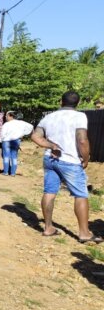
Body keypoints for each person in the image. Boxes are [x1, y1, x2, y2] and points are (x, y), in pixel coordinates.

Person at [31, 91, 99, 243]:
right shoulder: (79, 116)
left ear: (61, 101)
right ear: (78, 103)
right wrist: (86, 158)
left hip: (50, 158)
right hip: (70, 161)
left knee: (49, 192)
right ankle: (84, 233)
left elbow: (35, 136)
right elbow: (82, 140)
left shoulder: (49, 117)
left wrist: (51, 145)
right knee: (81, 194)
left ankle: (48, 227)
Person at [0, 111, 33, 176]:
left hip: (6, 141)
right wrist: (23, 134)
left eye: (6, 116)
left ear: (10, 116)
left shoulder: (6, 124)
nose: (5, 117)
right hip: (16, 141)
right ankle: (13, 173)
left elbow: (2, 134)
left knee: (6, 156)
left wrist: (0, 140)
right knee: (14, 157)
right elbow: (31, 126)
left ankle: (6, 172)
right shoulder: (21, 123)